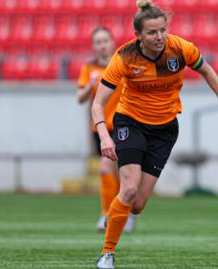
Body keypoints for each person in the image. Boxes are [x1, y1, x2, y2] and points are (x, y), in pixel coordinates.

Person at [92, 1, 218, 268]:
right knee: (130, 187)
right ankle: (107, 253)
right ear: (139, 36)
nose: (159, 37)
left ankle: (120, 213)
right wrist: (104, 135)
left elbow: (207, 70)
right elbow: (97, 103)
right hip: (130, 123)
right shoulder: (124, 57)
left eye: (162, 30)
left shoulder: (180, 48)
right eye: (152, 32)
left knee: (137, 205)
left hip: (165, 129)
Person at [76, 27, 136, 233]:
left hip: (122, 125)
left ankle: (108, 214)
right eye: (98, 42)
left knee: (107, 169)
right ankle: (120, 214)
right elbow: (80, 98)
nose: (102, 45)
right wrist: (89, 86)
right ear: (94, 46)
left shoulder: (120, 63)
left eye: (105, 40)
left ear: (112, 42)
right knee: (117, 173)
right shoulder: (89, 67)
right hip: (100, 127)